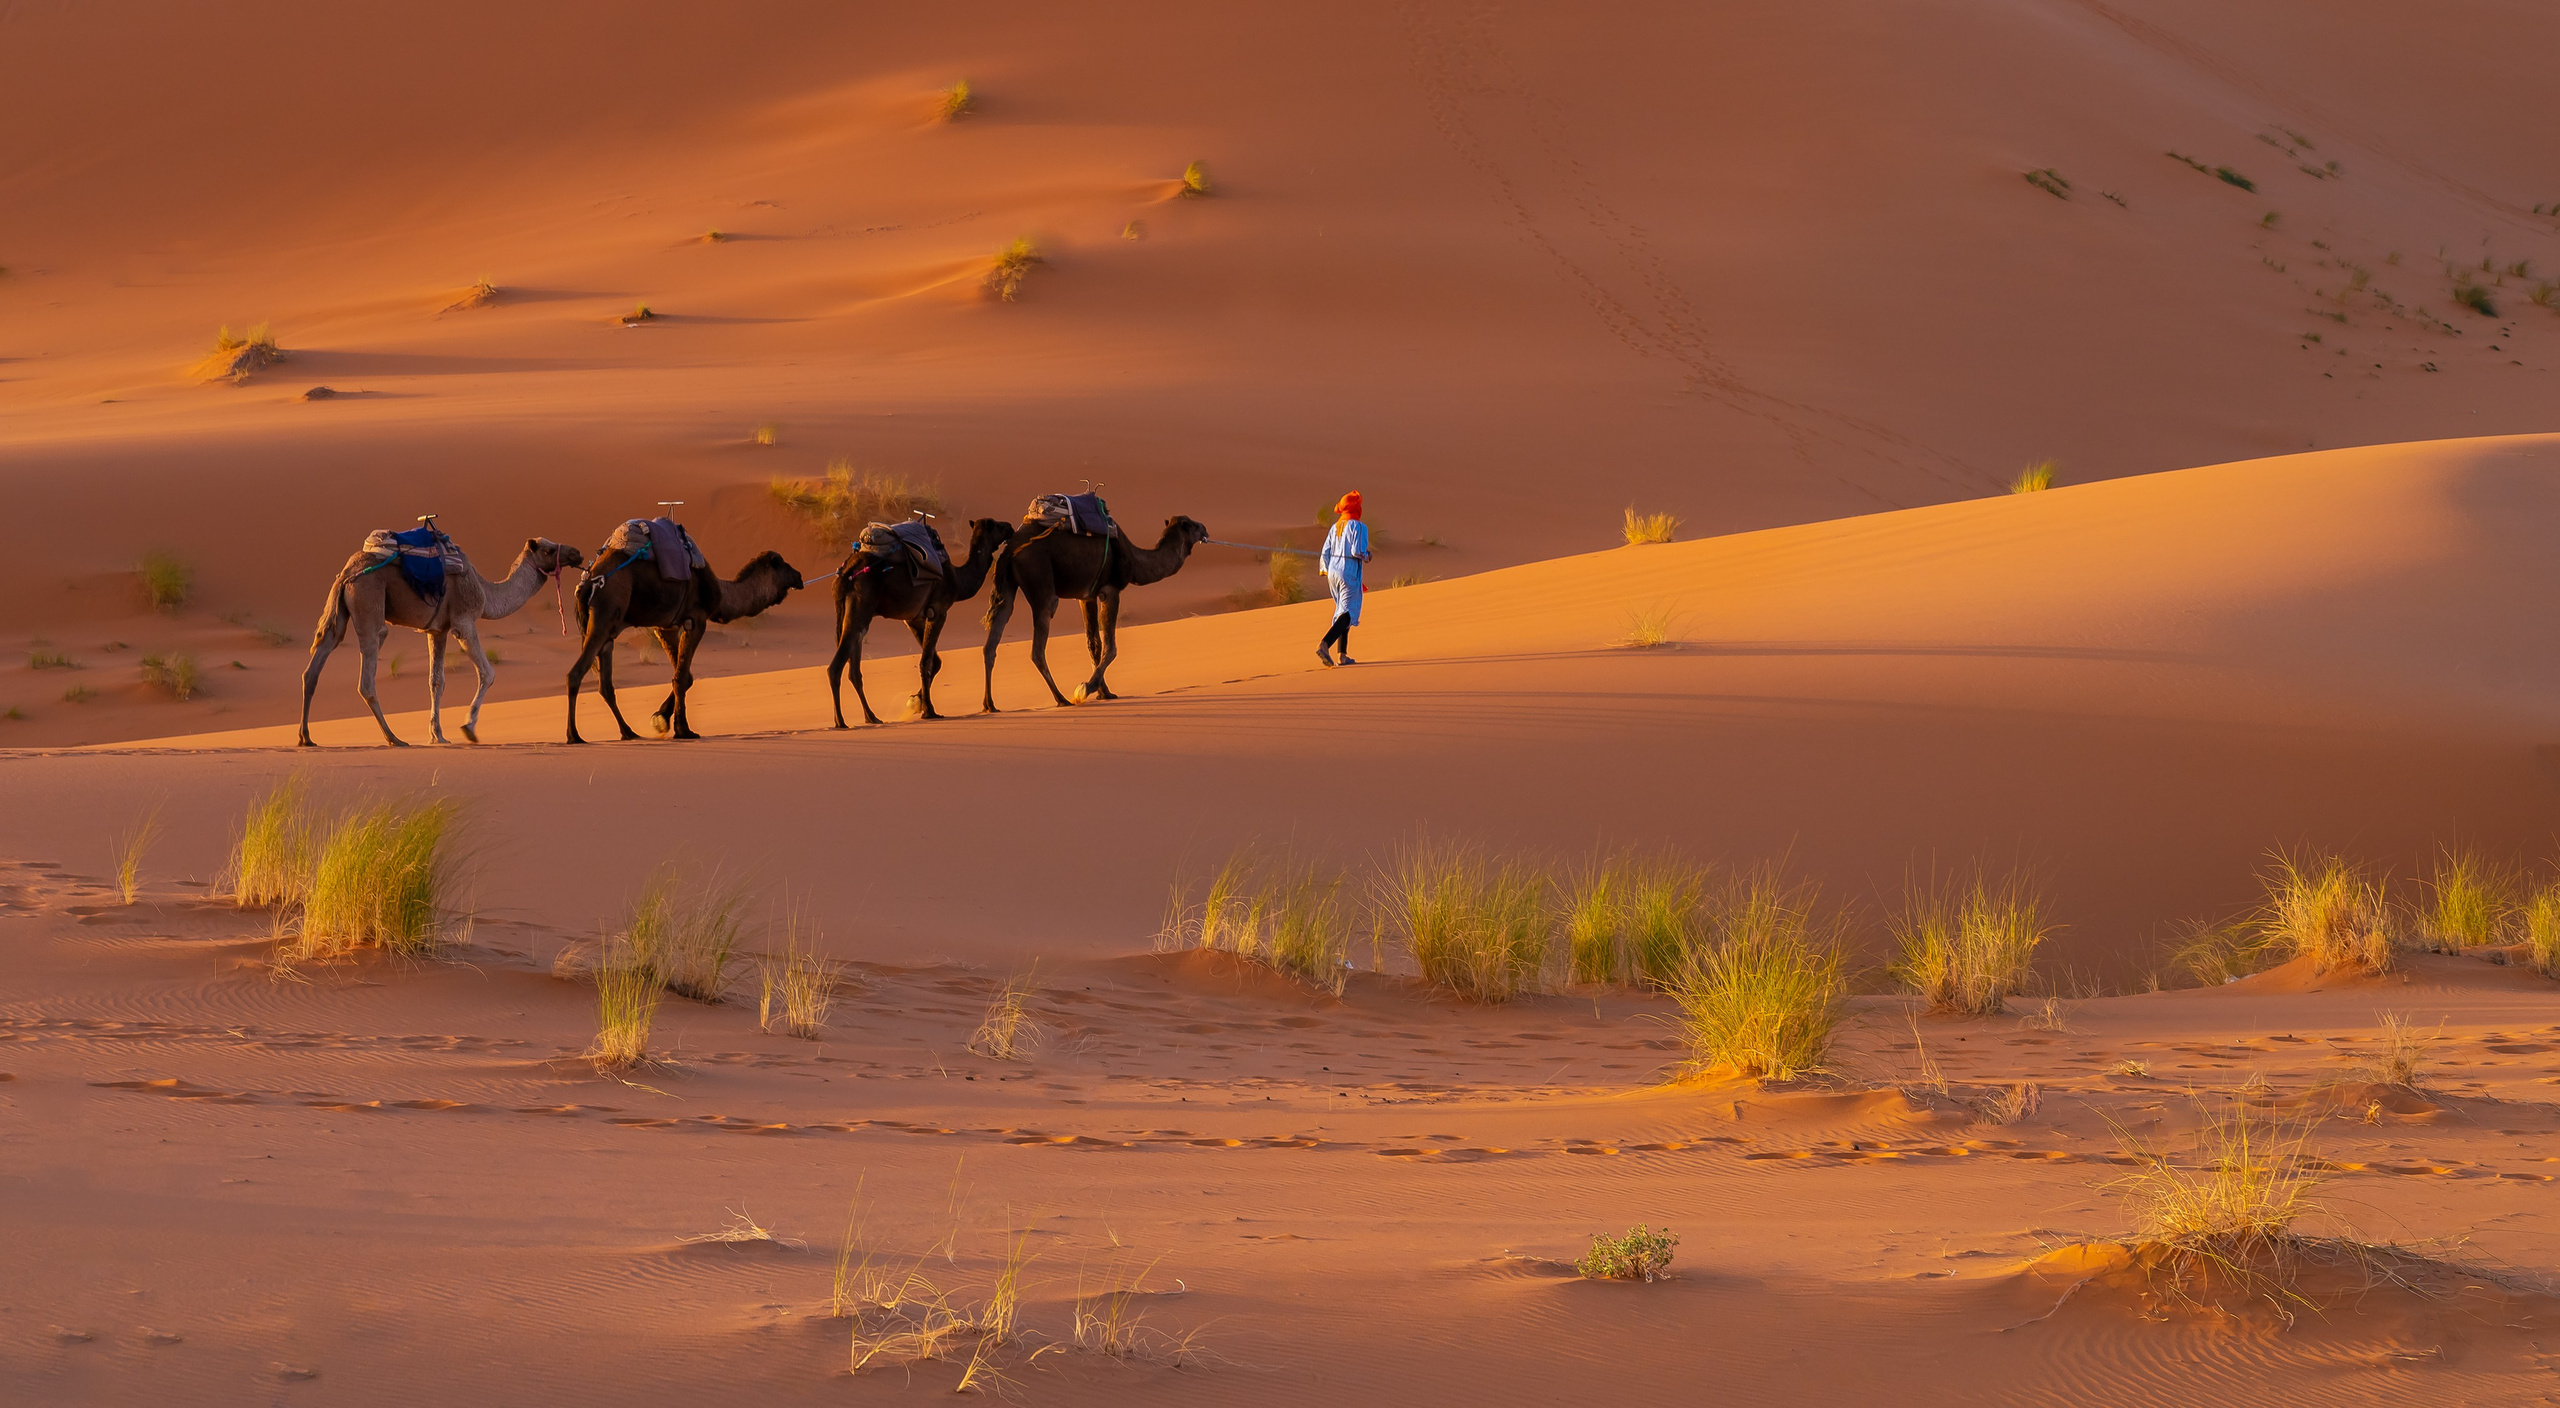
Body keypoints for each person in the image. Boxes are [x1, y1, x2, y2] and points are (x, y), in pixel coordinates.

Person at [1317, 491, 1369, 666]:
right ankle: (1325, 643)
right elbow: (1357, 551)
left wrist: (1326, 569)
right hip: (1348, 572)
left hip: (1333, 572)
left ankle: (1342, 655)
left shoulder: (1335, 527)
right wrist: (1368, 555)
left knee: (1342, 610)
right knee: (1348, 612)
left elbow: (1325, 552)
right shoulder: (1358, 526)